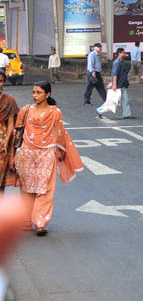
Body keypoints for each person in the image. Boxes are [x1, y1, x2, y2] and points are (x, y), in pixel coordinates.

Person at [13, 82, 83, 235]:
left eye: (38, 92)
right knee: (27, 188)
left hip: (46, 152)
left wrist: (60, 149)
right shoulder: (25, 110)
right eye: (33, 92)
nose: (34, 96)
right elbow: (17, 131)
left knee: (45, 188)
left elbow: (59, 132)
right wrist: (13, 154)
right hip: (26, 152)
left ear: (47, 95)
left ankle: (40, 223)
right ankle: (25, 221)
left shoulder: (55, 112)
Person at [98, 48, 132, 120]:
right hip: (118, 85)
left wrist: (112, 83)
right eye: (123, 52)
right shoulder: (117, 62)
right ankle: (99, 111)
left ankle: (127, 114)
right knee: (112, 101)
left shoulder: (122, 62)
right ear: (119, 53)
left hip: (122, 84)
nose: (125, 53)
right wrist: (114, 84)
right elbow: (114, 74)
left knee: (125, 100)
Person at [0, 73, 20, 186]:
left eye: (1, 81)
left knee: (1, 180)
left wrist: (7, 139)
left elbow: (11, 122)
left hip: (2, 144)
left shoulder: (9, 100)